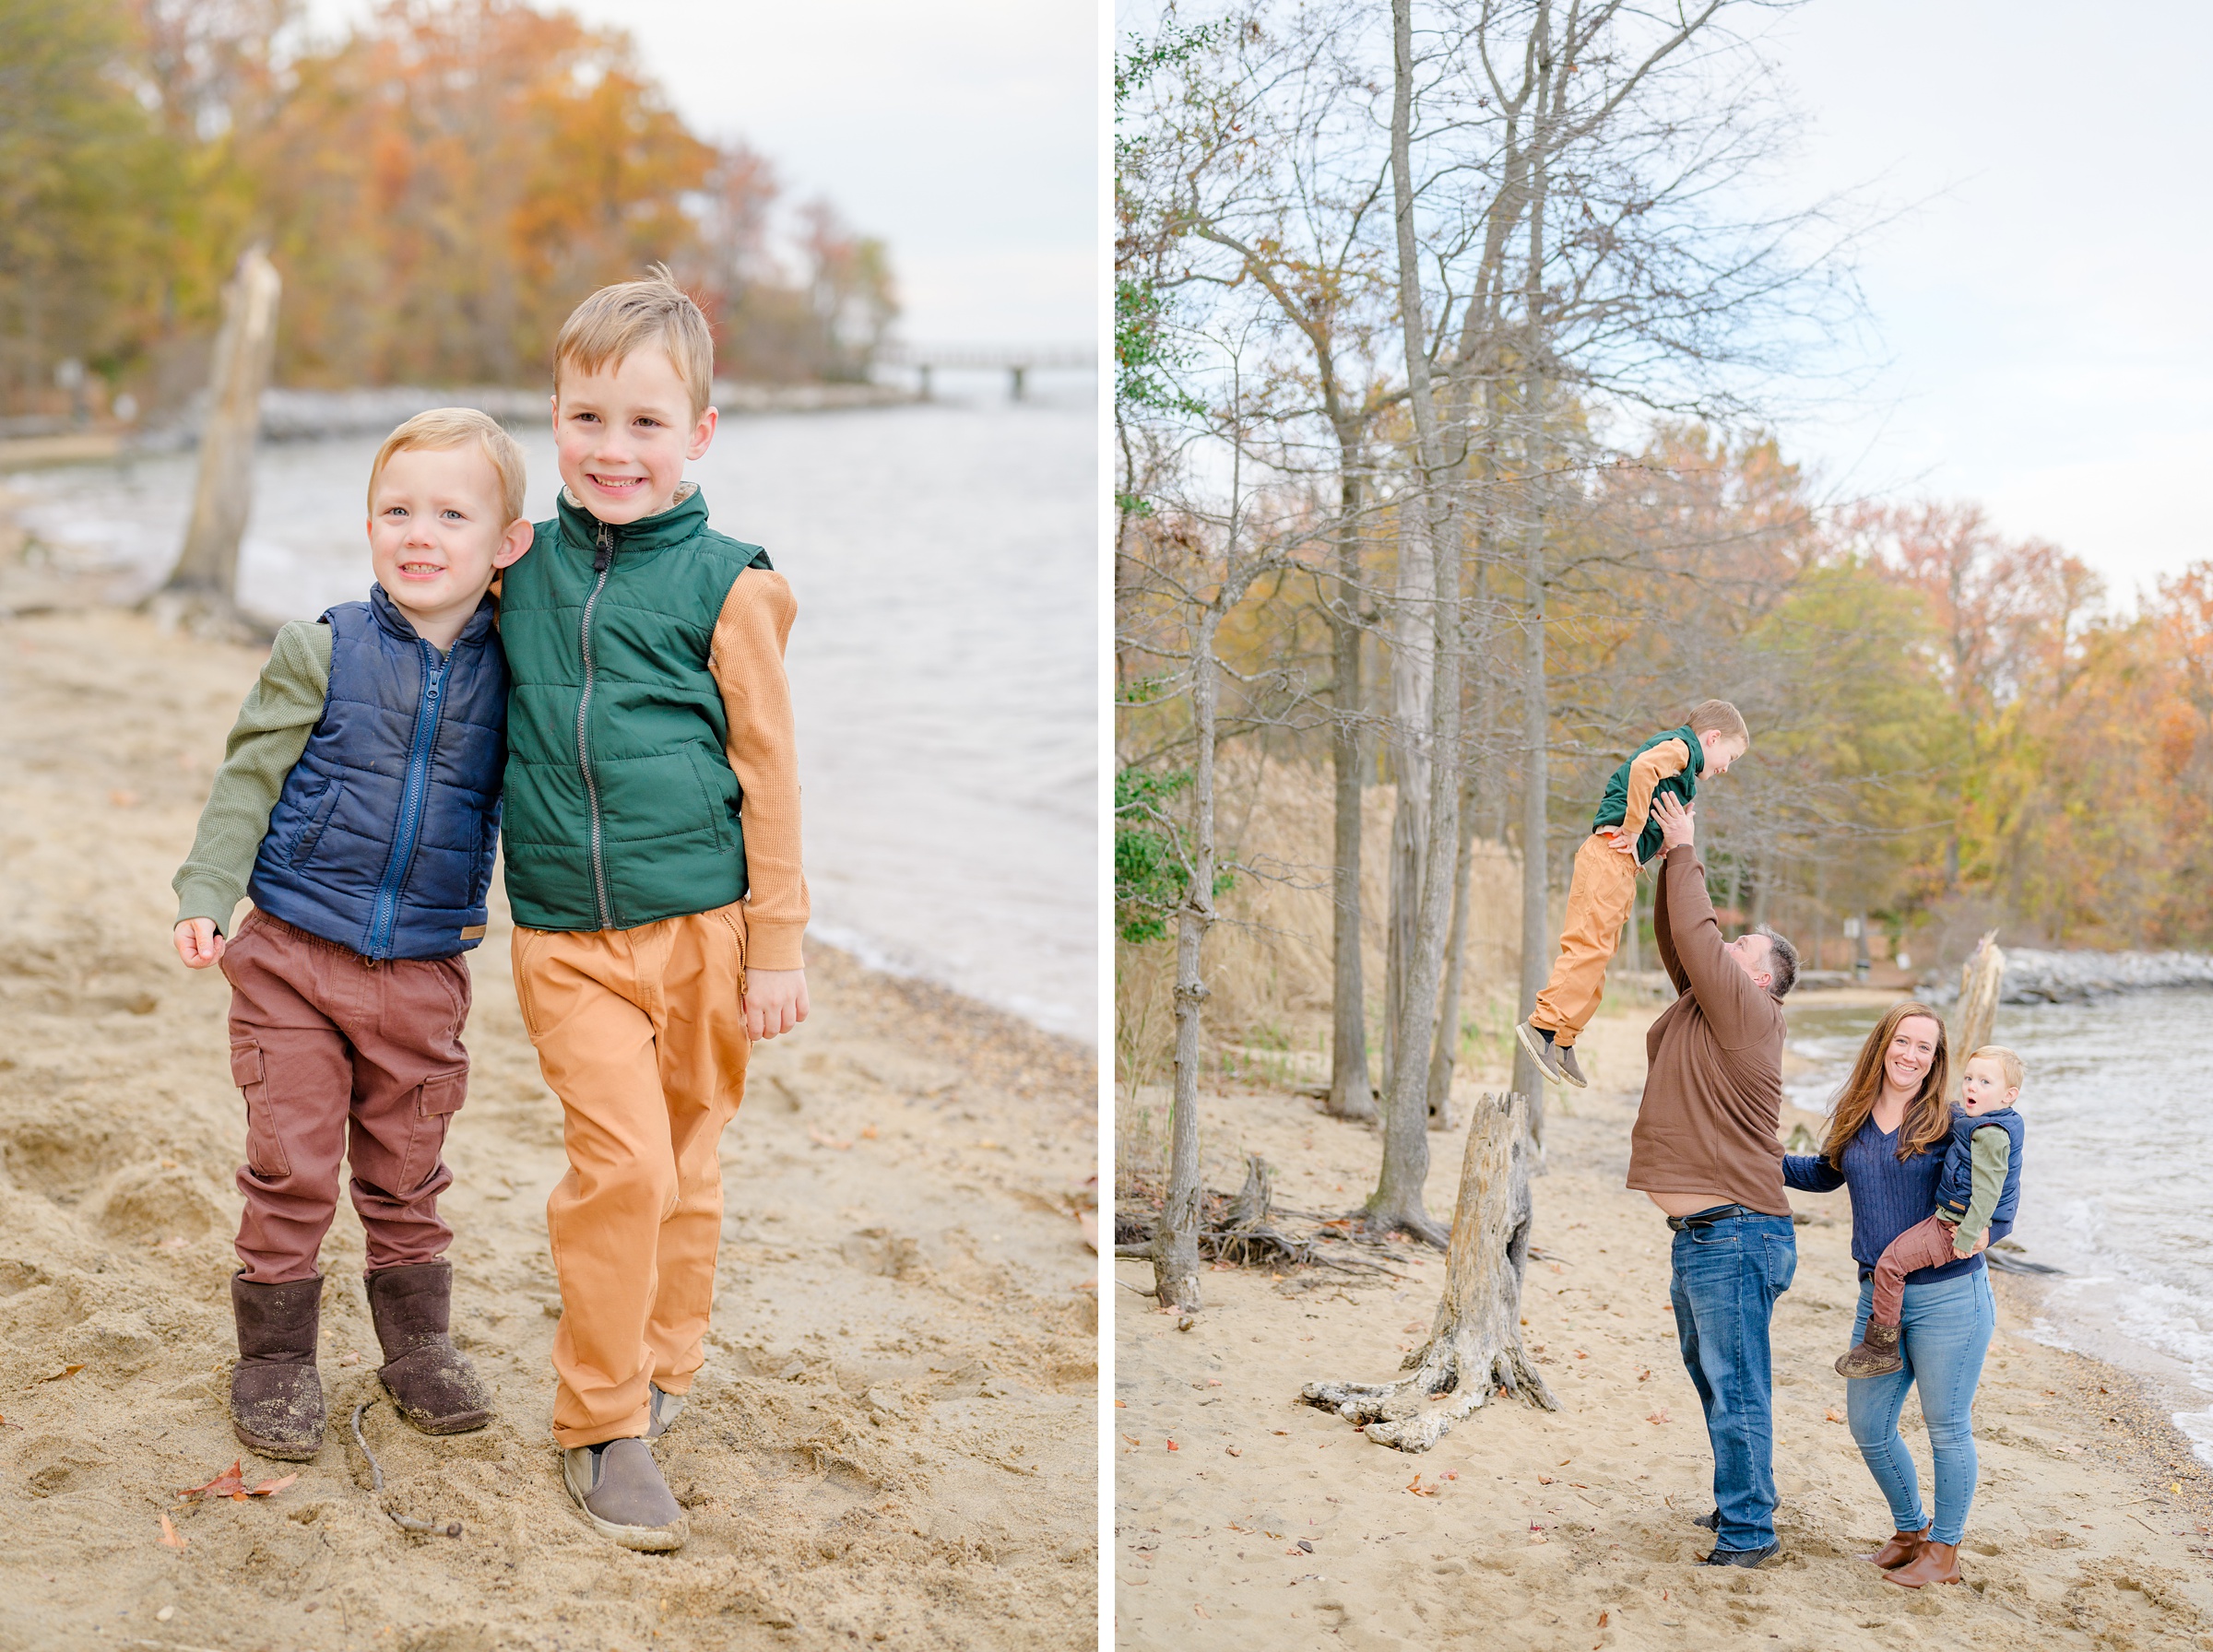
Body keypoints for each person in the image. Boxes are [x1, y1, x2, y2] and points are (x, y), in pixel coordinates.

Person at [501, 270, 809, 1552]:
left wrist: (778, 947)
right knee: (619, 1167)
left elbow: (772, 772)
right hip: (565, 933)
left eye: (643, 423)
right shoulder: (516, 566)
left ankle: (666, 1357)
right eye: (586, 419)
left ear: (698, 434)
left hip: (707, 930)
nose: (611, 450)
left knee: (688, 1166)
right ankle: (601, 1421)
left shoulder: (729, 586)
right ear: (555, 419)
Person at [170, 408, 532, 1460]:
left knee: (407, 1166)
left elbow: (556, 793)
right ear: (369, 525)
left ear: (506, 543)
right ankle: (276, 1355)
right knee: (290, 1161)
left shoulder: (517, 673)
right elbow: (249, 775)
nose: (420, 533)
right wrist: (206, 888)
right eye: (396, 510)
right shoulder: (319, 646)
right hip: (290, 955)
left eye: (452, 514)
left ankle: (417, 1342)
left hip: (424, 967)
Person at [1623, 793, 1801, 1566]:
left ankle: (1750, 1534)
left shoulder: (1752, 1017)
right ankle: (1745, 1503)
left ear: (1762, 983)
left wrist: (1691, 843)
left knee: (1736, 1389)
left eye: (1740, 951)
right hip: (1706, 1238)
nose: (1724, 951)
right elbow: (1681, 938)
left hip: (1735, 1233)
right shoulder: (1707, 1004)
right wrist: (1670, 858)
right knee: (1717, 1382)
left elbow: (1700, 940)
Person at [1784, 1005, 1996, 1589]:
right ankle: (1910, 1533)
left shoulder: (1954, 1122)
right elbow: (1827, 1174)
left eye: (1924, 1048)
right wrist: (1764, 1161)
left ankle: (1945, 1551)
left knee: (1946, 1426)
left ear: (1936, 1061)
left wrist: (1975, 1238)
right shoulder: (1853, 1115)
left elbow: (1997, 1199)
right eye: (1902, 1041)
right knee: (1868, 1424)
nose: (1910, 1055)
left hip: (1949, 1299)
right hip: (1877, 1296)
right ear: (1883, 1045)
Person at [1515, 701, 1750, 1089]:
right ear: (1712, 738)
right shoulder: (1682, 746)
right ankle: (1542, 1026)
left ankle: (1564, 1038)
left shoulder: (1685, 769)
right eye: (1730, 756)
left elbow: (1652, 788)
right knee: (1588, 947)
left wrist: (1654, 842)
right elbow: (1643, 770)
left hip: (1622, 865)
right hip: (1608, 854)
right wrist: (1634, 827)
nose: (1726, 766)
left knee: (1601, 954)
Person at [1837, 1046, 2025, 1378]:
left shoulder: (1992, 1133)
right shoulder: (1968, 1122)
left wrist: (1976, 1233)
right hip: (1947, 1218)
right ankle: (1883, 1342)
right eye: (1969, 1078)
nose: (1971, 1087)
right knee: (1891, 1263)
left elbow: (1995, 1191)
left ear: (2009, 1095)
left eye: (1984, 1082)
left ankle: (1881, 1347)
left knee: (1891, 1264)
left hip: (1952, 1228)